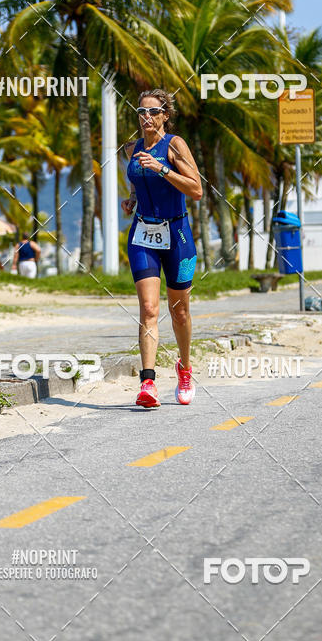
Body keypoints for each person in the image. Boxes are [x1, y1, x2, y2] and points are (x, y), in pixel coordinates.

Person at [122, 89, 202, 408]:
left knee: (179, 311)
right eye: (141, 112)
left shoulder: (175, 145)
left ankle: (184, 368)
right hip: (143, 234)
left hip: (178, 234)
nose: (146, 118)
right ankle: (148, 382)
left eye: (153, 112)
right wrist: (133, 198)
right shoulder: (131, 148)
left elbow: (195, 189)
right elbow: (137, 180)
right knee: (149, 309)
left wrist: (162, 169)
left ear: (165, 115)